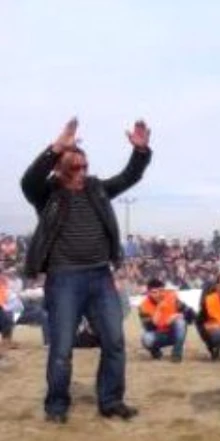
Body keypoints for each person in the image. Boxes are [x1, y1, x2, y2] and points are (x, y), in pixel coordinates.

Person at [20, 117, 151, 423]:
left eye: (85, 167)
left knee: (115, 342)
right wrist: (56, 148)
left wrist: (140, 152)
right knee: (62, 348)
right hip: (64, 279)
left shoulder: (96, 189)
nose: (81, 173)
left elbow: (128, 177)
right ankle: (56, 406)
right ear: (59, 170)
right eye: (73, 168)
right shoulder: (46, 193)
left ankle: (111, 401)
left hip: (100, 276)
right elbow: (27, 181)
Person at [138, 279, 194, 362]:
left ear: (164, 290)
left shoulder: (172, 298)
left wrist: (179, 315)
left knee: (180, 322)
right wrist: (159, 310)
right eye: (154, 292)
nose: (158, 295)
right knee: (147, 338)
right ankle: (155, 351)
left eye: (161, 291)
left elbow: (191, 314)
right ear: (148, 293)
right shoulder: (143, 306)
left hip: (173, 333)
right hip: (158, 334)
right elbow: (149, 327)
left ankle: (176, 354)